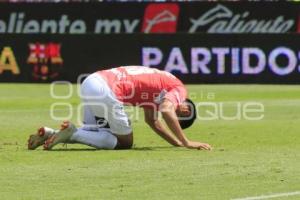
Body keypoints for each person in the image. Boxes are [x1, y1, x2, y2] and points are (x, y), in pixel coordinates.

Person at [28, 66, 212, 150]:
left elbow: (153, 121)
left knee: (95, 133)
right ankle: (72, 133)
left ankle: (51, 133)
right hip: (107, 90)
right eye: (176, 119)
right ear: (186, 110)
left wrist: (176, 143)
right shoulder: (179, 89)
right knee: (125, 142)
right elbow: (166, 110)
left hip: (92, 80)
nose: (171, 117)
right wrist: (187, 142)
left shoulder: (161, 84)